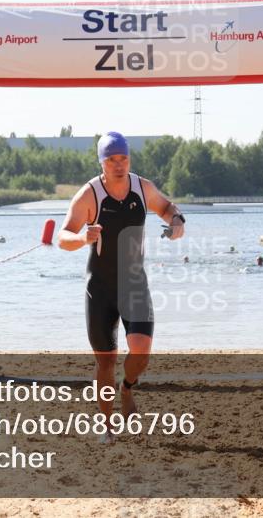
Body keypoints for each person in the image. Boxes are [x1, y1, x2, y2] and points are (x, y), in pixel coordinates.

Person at [58, 131, 186, 441]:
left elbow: (167, 207)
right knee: (106, 361)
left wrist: (178, 221)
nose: (119, 165)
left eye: (123, 159)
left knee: (141, 352)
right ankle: (107, 425)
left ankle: (127, 387)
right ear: (102, 162)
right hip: (100, 289)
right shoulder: (89, 195)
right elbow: (63, 237)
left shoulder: (142, 188)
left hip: (134, 283)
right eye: (112, 160)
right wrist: (81, 238)